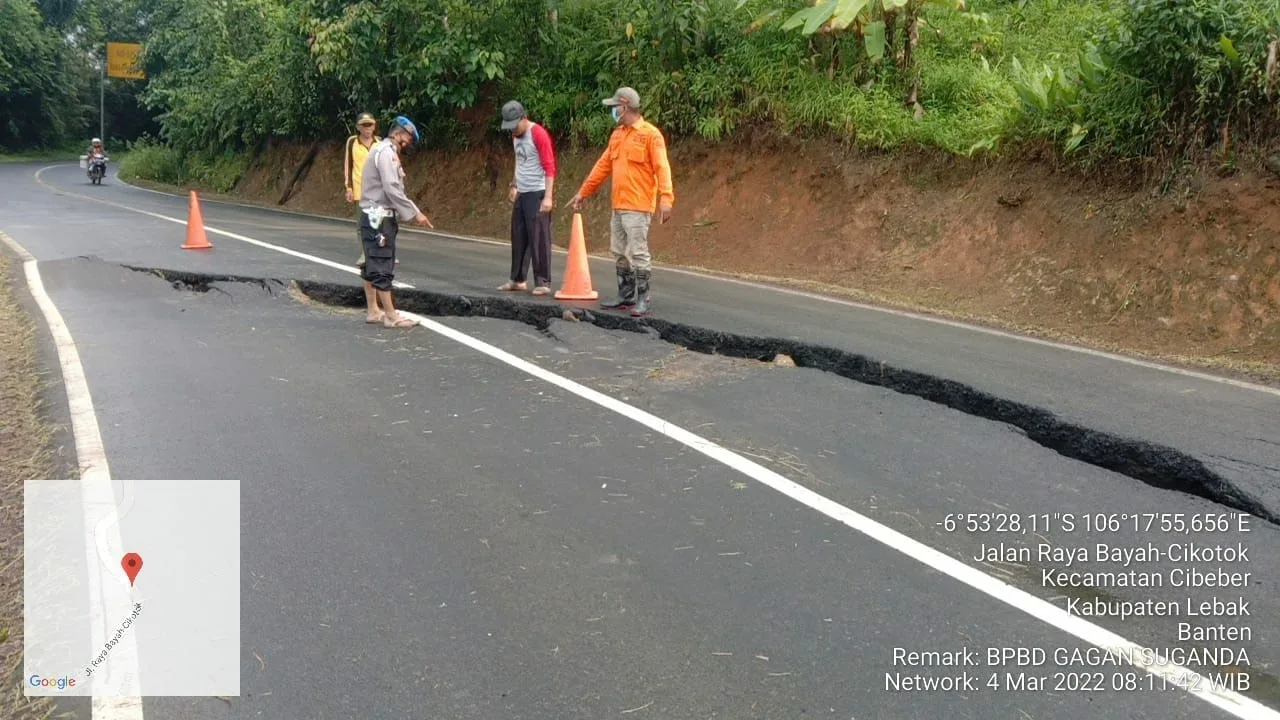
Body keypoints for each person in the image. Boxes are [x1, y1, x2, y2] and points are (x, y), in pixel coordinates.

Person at [569, 87, 673, 317]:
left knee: (638, 252)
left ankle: (643, 299)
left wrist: (666, 198)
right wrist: (583, 192)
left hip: (638, 205)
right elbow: (602, 166)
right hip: (619, 205)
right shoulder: (618, 135)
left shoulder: (650, 135)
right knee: (618, 251)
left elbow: (662, 167)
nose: (614, 111)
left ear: (625, 107)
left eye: (616, 107)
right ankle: (625, 296)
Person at [359, 115, 433, 328]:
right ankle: (391, 316)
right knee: (382, 263)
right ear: (399, 134)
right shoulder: (386, 154)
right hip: (379, 217)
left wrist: (413, 211)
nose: (409, 143)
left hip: (373, 215)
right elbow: (392, 188)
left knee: (370, 262)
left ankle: (374, 310)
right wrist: (414, 213)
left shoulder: (381, 150)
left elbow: (393, 188)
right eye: (409, 138)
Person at [498, 100, 557, 296]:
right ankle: (517, 279)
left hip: (537, 191)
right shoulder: (515, 136)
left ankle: (543, 281)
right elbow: (519, 160)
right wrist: (514, 185)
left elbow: (549, 166)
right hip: (522, 191)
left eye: (515, 125)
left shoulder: (537, 133)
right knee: (519, 236)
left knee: (539, 238)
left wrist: (548, 197)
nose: (513, 130)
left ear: (524, 118)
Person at [345, 112, 380, 271]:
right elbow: (349, 165)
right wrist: (348, 187)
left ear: (374, 126)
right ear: (358, 127)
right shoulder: (352, 142)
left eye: (370, 125)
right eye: (364, 125)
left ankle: (380, 252)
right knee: (361, 225)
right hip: (360, 189)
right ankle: (364, 253)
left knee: (379, 223)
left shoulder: (379, 143)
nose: (367, 128)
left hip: (377, 191)